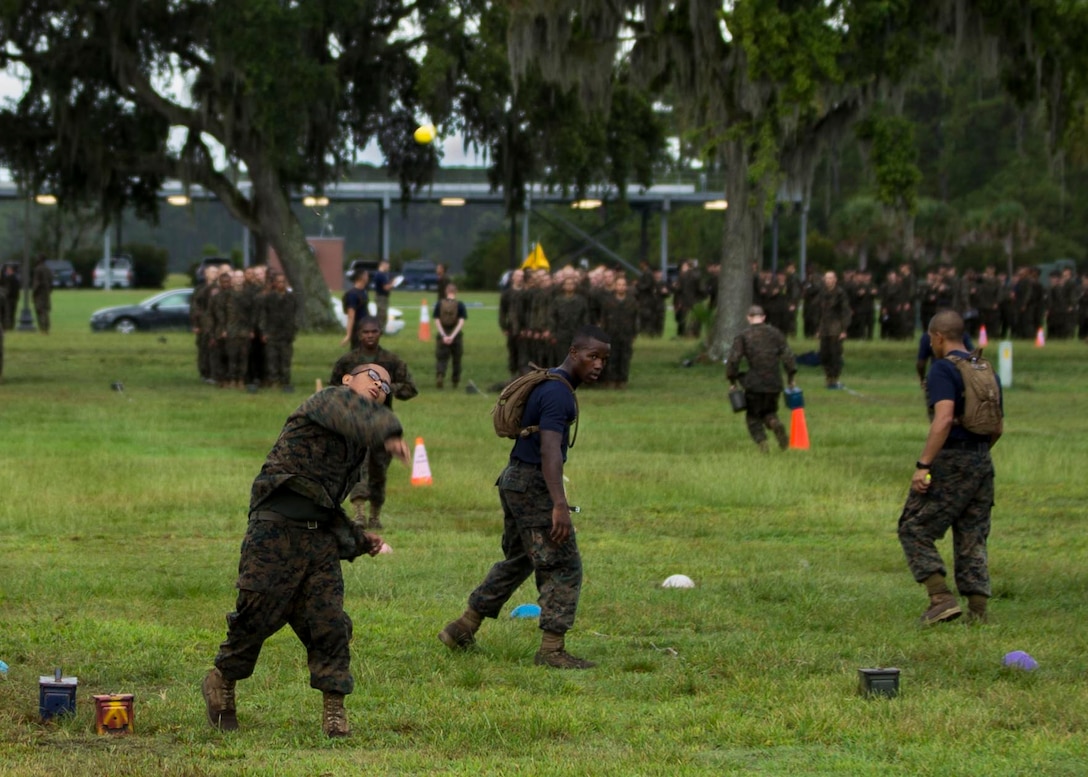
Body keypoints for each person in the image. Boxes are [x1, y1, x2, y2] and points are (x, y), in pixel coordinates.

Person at [202, 363, 410, 737]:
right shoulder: (327, 400)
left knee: (329, 624)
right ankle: (222, 682)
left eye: (386, 386)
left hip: (318, 543)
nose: (380, 387)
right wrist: (390, 430)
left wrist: (360, 540)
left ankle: (334, 711)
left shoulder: (355, 444)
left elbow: (326, 501)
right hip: (274, 530)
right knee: (255, 618)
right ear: (348, 379)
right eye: (372, 377)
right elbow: (347, 415)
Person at [438, 325, 611, 669]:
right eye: (592, 357)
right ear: (573, 352)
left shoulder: (551, 384)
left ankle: (462, 627)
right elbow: (550, 450)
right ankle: (551, 650)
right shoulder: (558, 394)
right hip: (532, 483)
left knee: (520, 559)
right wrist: (559, 504)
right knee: (563, 565)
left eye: (604, 359)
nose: (598, 365)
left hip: (514, 478)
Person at [897, 310, 1003, 627]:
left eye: (931, 338)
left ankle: (940, 599)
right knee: (972, 536)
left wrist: (923, 465)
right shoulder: (984, 369)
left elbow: (943, 420)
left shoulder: (943, 370)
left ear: (938, 337)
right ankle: (978, 613)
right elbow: (997, 427)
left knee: (913, 528)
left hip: (952, 459)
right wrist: (976, 457)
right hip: (983, 461)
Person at [329, 316, 419, 529]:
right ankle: (358, 514)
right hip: (355, 424)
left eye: (374, 332)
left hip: (381, 424)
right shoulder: (348, 361)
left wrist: (388, 388)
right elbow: (333, 389)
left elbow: (410, 388)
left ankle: (375, 515)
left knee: (378, 470)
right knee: (357, 467)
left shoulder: (391, 360)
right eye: (365, 332)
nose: (370, 336)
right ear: (359, 334)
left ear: (380, 333)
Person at [726, 305, 797, 452]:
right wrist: (791, 378)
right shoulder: (776, 334)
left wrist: (732, 380)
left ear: (748, 318)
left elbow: (733, 359)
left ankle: (762, 444)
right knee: (769, 411)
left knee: (753, 416)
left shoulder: (743, 336)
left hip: (754, 383)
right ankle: (775, 423)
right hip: (774, 382)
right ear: (763, 317)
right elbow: (789, 358)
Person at [257, 272, 300, 392]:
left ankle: (285, 381)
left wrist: (294, 329)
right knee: (272, 359)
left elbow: (295, 315)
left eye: (283, 282)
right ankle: (273, 381)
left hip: (286, 333)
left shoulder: (291, 298)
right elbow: (263, 316)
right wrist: (264, 331)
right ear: (274, 283)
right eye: (279, 282)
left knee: (285, 359)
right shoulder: (268, 298)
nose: (281, 284)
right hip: (272, 332)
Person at [816, 270, 851, 388]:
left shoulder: (840, 293)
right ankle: (828, 377)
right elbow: (821, 313)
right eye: (826, 278)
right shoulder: (822, 293)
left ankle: (835, 378)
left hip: (836, 328)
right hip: (825, 328)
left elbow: (845, 312)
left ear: (835, 280)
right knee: (824, 354)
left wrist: (844, 329)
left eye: (830, 278)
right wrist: (819, 329)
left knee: (835, 354)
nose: (828, 280)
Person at [433, 283, 466, 389]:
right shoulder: (460, 305)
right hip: (455, 334)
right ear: (456, 292)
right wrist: (452, 336)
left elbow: (437, 320)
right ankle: (455, 381)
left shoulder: (439, 304)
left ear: (446, 292)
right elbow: (461, 322)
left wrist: (443, 335)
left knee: (442, 358)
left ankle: (440, 375)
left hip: (443, 332)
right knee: (456, 359)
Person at [340, 268, 370, 349]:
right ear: (361, 277)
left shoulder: (364, 291)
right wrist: (348, 335)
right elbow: (351, 316)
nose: (368, 277)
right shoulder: (352, 294)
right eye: (366, 275)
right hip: (358, 328)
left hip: (366, 326)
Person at [31, 255, 53, 334]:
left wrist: (33, 292)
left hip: (39, 293)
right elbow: (51, 281)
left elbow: (36, 282)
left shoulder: (37, 269)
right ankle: (46, 327)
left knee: (40, 310)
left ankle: (43, 328)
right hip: (46, 292)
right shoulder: (48, 269)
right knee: (45, 310)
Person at [372, 260, 393, 332]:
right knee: (382, 315)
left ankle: (378, 330)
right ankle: (379, 330)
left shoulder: (380, 274)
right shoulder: (380, 275)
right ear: (383, 265)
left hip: (381, 297)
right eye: (388, 266)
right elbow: (386, 287)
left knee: (381, 314)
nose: (388, 268)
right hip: (381, 297)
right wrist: (393, 284)